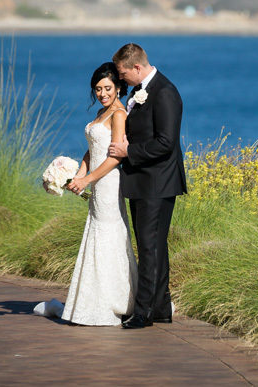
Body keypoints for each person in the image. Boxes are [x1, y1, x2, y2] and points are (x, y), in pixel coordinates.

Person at [107, 43, 186, 329]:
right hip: (144, 181)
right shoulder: (141, 91)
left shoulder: (164, 92)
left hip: (158, 182)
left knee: (150, 247)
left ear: (137, 67)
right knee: (153, 246)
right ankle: (161, 307)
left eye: (123, 73)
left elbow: (166, 142)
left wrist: (130, 152)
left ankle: (143, 313)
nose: (121, 79)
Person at [61, 62, 138, 326]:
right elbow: (92, 150)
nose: (102, 93)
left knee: (109, 234)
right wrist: (78, 175)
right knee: (97, 232)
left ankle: (115, 300)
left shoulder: (118, 115)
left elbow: (115, 157)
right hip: (95, 182)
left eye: (107, 88)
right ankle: (93, 298)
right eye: (98, 89)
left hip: (108, 182)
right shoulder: (101, 112)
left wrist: (88, 180)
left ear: (118, 87)